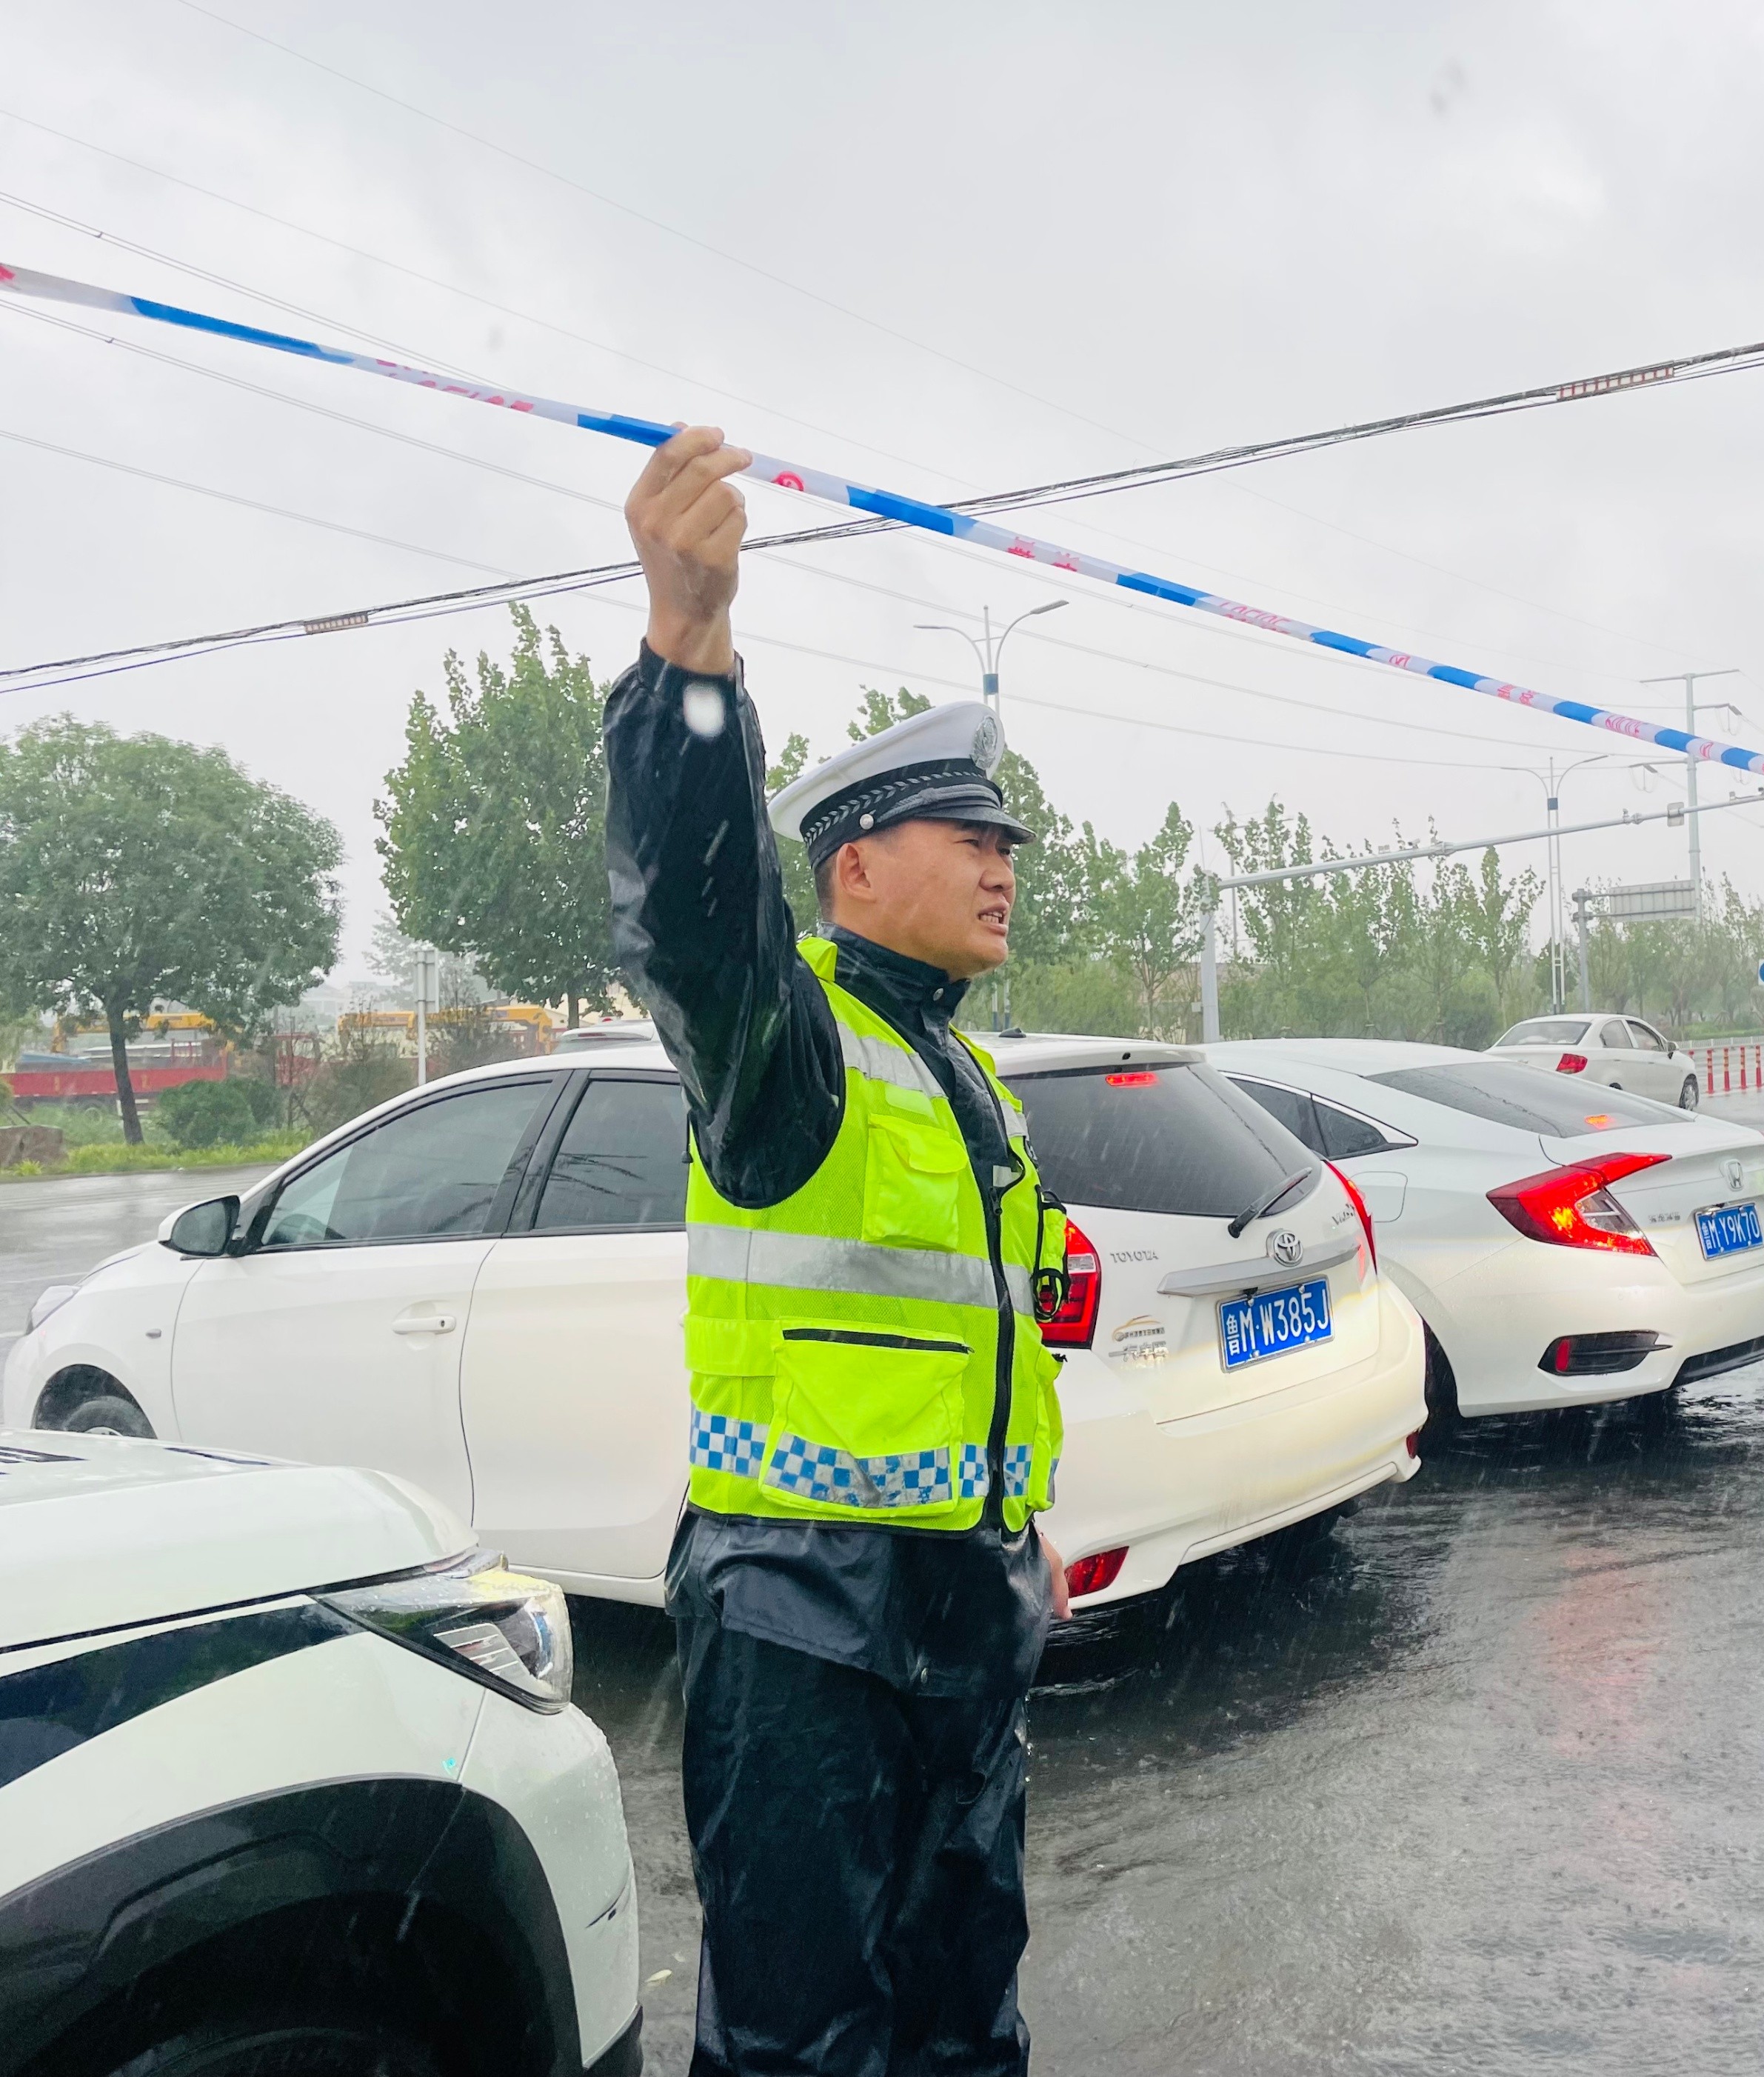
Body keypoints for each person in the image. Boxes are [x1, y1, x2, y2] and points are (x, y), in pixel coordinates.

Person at [604, 425, 1072, 2076]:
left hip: (957, 1608)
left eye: (1009, 840)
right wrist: (691, 656)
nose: (1006, 864)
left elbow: (990, 1320)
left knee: (964, 2019)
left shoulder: (964, 1074)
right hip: (806, 1623)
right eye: (973, 837)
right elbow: (691, 919)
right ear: (856, 866)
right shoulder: (788, 1044)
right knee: (810, 2044)